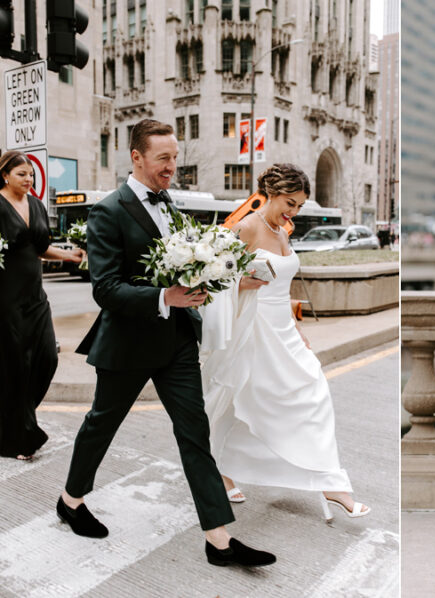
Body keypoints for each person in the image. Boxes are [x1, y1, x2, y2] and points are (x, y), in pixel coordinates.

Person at [58, 119, 275, 568]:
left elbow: (190, 267)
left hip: (176, 340)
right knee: (102, 424)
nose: (171, 167)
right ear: (136, 157)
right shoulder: (108, 212)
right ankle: (70, 500)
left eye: (175, 157)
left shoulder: (173, 207)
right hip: (127, 343)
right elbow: (106, 289)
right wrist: (164, 296)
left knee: (195, 432)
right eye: (163, 158)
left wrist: (220, 278)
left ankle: (219, 541)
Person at [200, 163, 370, 521]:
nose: (293, 212)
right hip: (253, 326)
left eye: (299, 206)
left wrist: (296, 324)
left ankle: (329, 483)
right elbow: (211, 277)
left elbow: (284, 283)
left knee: (312, 390)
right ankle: (223, 470)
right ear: (271, 194)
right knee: (236, 399)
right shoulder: (245, 227)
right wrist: (239, 283)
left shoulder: (282, 229)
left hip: (282, 327)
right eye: (289, 203)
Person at [0, 151, 84, 460]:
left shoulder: (35, 204)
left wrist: (68, 255)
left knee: (47, 357)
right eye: (22, 174)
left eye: (31, 175)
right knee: (15, 367)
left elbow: (41, 249)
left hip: (35, 298)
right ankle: (19, 435)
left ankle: (15, 418)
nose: (28, 180)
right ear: (5, 175)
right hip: (5, 299)